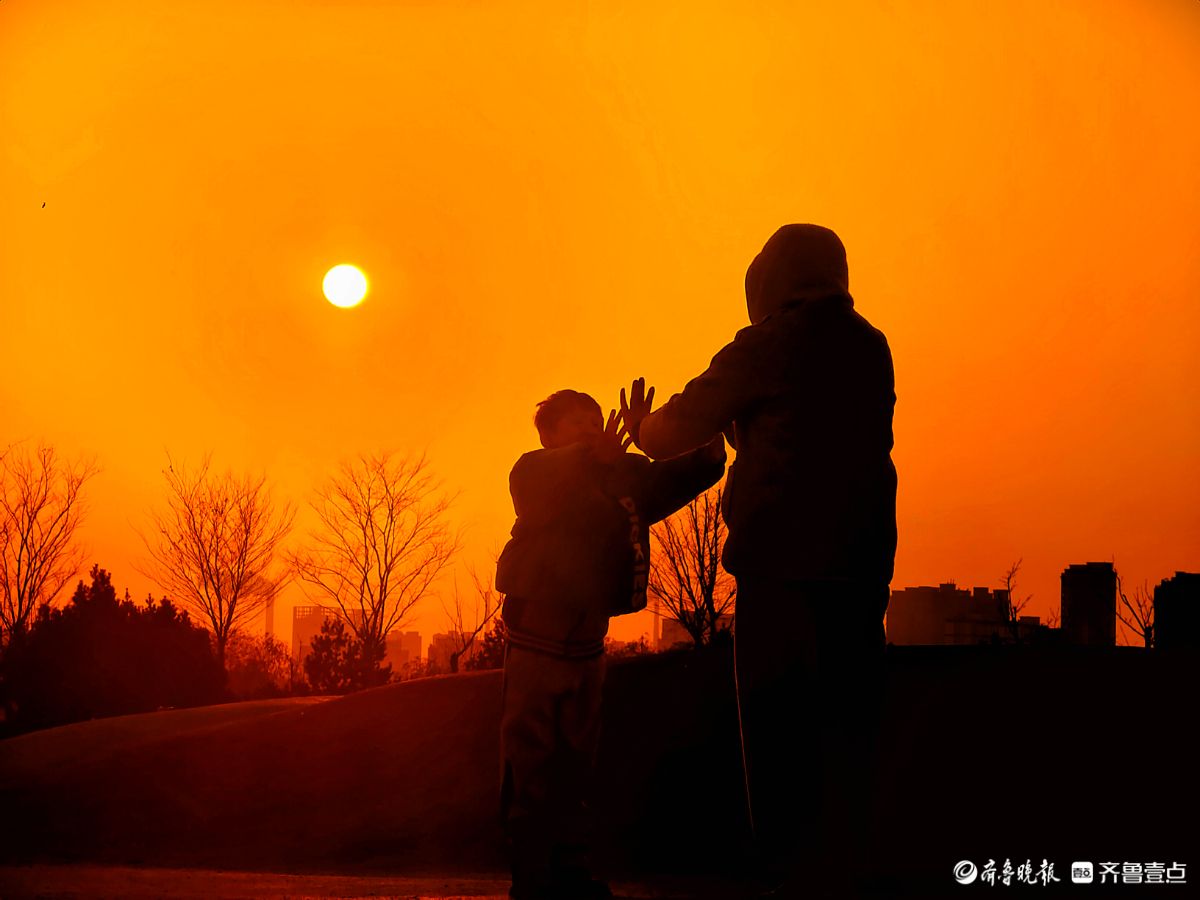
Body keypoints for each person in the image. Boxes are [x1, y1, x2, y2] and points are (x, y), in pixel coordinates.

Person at [622, 224, 897, 896]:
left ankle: (784, 869)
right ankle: (851, 863)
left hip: (780, 557)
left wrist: (643, 430)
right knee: (851, 726)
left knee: (776, 730)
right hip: (862, 559)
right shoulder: (870, 344)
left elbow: (685, 422)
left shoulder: (772, 341)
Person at [496, 388, 726, 900]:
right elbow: (544, 479)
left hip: (588, 648)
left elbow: (690, 472)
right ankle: (532, 875)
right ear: (547, 436)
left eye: (595, 421)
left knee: (577, 765)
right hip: (536, 639)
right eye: (575, 424)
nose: (590, 430)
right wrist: (586, 456)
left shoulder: (622, 479)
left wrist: (670, 436)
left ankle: (570, 870)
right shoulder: (532, 472)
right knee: (530, 761)